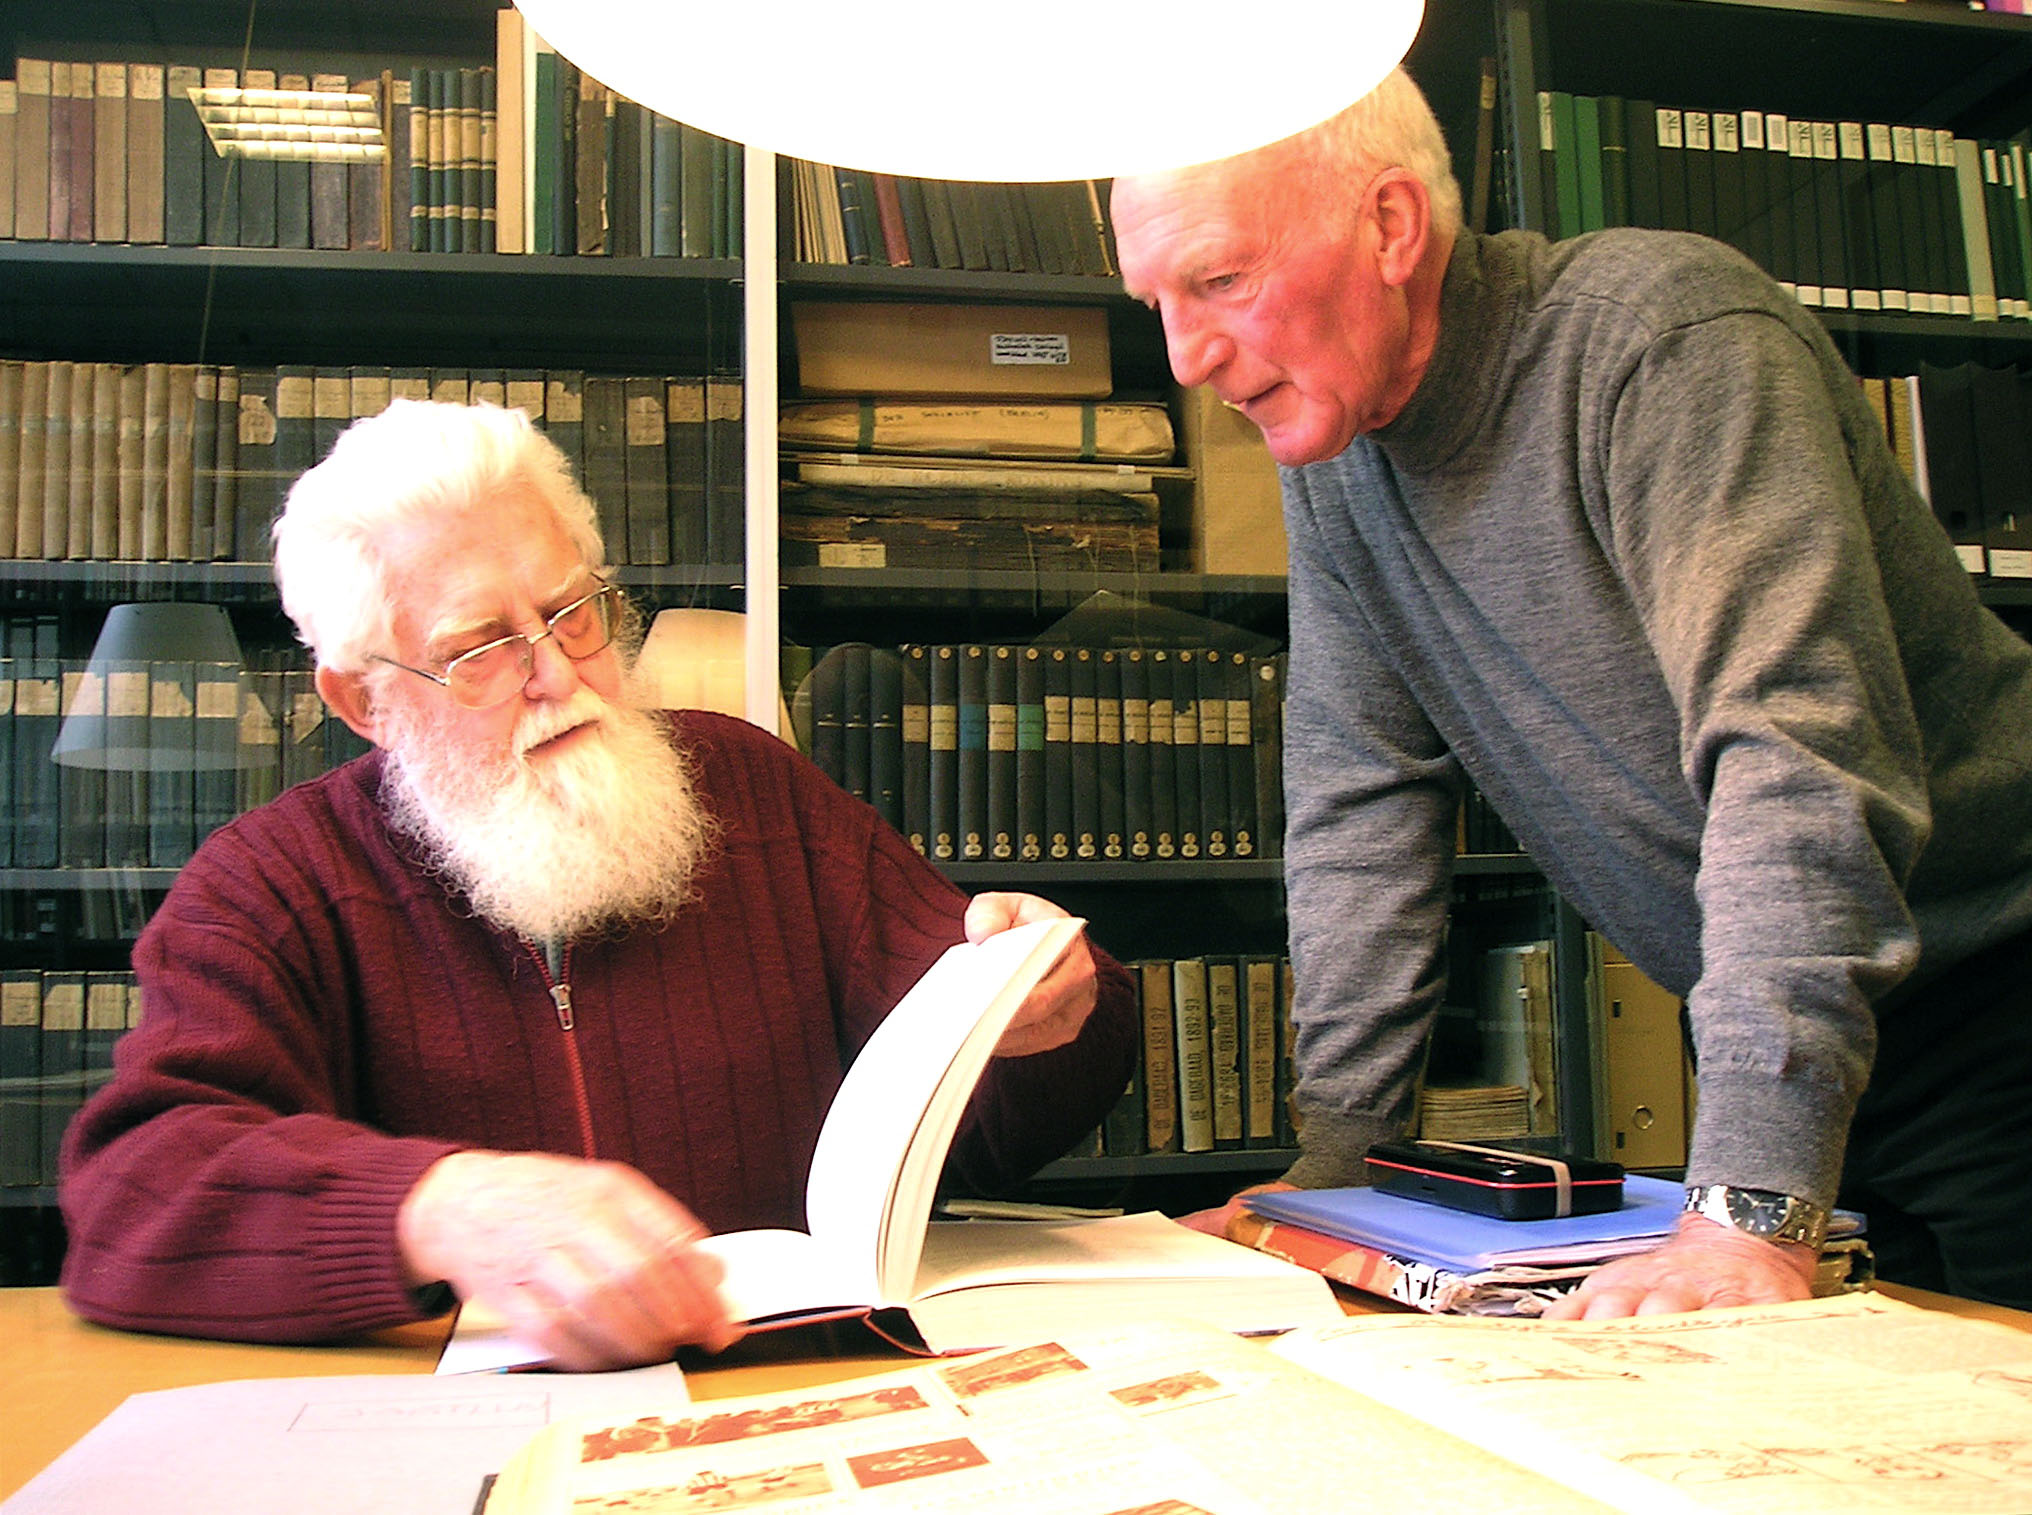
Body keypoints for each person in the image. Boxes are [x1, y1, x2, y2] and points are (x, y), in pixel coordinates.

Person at [1109, 68, 2032, 1315]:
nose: (1188, 356)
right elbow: (1359, 808)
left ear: (1390, 226)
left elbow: (1792, 756)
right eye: (1158, 303)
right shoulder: (1335, 458)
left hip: (1999, 993)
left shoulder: (1661, 340)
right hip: (1804, 1031)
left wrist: (1750, 1209)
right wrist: (1332, 1181)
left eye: (1220, 280)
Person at [57, 399, 1138, 1369]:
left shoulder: (750, 788)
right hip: (471, 1437)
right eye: (480, 649)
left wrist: (1047, 1006)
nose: (559, 675)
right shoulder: (270, 885)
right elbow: (134, 1190)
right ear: (364, 701)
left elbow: (992, 1108)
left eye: (571, 612)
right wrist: (440, 1207)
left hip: (809, 1380)